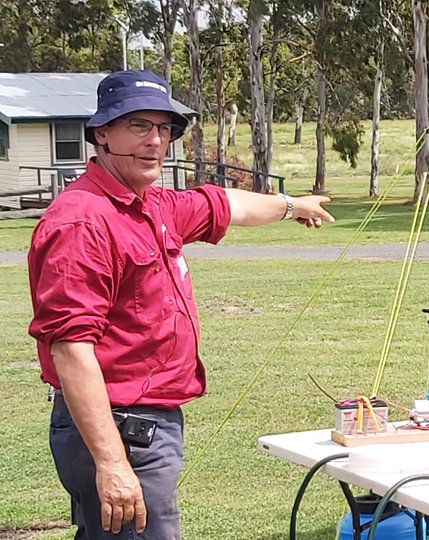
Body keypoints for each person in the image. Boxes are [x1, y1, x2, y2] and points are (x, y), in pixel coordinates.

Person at [26, 70, 334, 539]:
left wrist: (292, 206)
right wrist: (111, 461)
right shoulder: (82, 222)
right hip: (121, 428)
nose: (155, 141)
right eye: (138, 126)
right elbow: (70, 350)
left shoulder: (152, 204)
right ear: (101, 134)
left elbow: (225, 204)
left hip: (145, 424)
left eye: (164, 129)